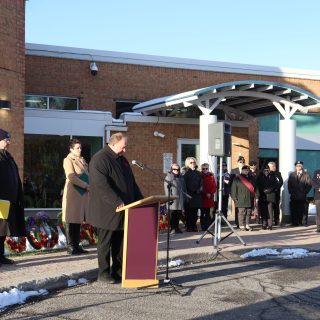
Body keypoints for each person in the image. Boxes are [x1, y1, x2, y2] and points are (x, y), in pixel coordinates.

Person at [87, 132, 143, 284]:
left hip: (124, 209)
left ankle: (118, 271)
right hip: (107, 210)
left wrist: (141, 200)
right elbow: (101, 185)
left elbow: (132, 183)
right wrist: (116, 201)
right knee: (105, 243)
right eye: (123, 147)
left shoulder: (122, 160)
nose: (125, 150)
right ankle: (103, 274)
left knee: (119, 242)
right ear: (113, 143)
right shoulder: (100, 159)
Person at [0, 129, 26, 266]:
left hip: (9, 201)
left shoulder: (7, 156)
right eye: (6, 140)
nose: (8, 142)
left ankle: (1, 256)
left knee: (4, 230)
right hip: (1, 200)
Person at [62, 139, 89, 255]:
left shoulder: (82, 160)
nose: (80, 150)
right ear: (71, 149)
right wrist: (85, 185)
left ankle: (77, 245)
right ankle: (70, 246)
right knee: (70, 219)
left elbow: (87, 174)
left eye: (80, 147)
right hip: (73, 193)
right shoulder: (68, 160)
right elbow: (71, 177)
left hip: (81, 194)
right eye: (77, 148)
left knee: (77, 220)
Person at [230, 165, 259, 231]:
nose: (246, 171)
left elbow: (255, 188)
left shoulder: (252, 178)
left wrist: (257, 196)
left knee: (248, 212)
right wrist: (234, 197)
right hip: (240, 198)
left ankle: (247, 225)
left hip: (249, 198)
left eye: (247, 170)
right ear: (242, 170)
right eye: (245, 170)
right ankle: (241, 226)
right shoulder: (237, 178)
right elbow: (233, 188)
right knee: (241, 212)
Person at [164, 163, 187, 234]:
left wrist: (185, 197)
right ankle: (173, 228)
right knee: (172, 214)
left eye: (178, 169)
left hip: (180, 199)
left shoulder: (181, 177)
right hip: (172, 199)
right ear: (171, 169)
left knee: (177, 214)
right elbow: (167, 189)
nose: (176, 171)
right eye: (175, 169)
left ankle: (176, 227)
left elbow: (184, 188)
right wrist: (169, 198)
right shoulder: (169, 177)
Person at [288, 161, 312, 226]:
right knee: (294, 209)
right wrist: (291, 191)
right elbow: (289, 184)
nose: (298, 167)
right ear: (295, 167)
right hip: (294, 195)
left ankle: (303, 222)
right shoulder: (292, 174)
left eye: (300, 165)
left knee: (303, 209)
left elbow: (309, 185)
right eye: (297, 166)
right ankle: (294, 223)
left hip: (302, 195)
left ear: (302, 166)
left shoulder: (306, 174)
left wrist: (305, 192)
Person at [257, 165, 280, 230]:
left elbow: (276, 185)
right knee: (263, 211)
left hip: (270, 195)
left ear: (269, 170)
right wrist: (262, 190)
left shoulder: (273, 176)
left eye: (267, 170)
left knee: (270, 211)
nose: (266, 171)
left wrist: (270, 189)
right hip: (262, 195)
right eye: (265, 170)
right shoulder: (260, 176)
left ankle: (270, 225)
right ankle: (264, 224)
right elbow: (258, 185)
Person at [183, 157, 202, 232]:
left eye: (194, 162)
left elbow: (201, 183)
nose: (193, 164)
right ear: (187, 164)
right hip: (189, 195)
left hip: (196, 195)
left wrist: (199, 189)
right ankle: (189, 226)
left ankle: (194, 225)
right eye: (191, 162)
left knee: (195, 212)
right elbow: (185, 184)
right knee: (188, 212)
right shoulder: (186, 173)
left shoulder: (198, 173)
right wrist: (191, 190)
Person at [230, 156, 246, 228]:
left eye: (243, 162)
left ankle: (243, 223)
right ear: (238, 162)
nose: (242, 163)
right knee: (237, 208)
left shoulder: (246, 170)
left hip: (244, 193)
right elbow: (230, 183)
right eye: (240, 162)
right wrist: (232, 193)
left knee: (244, 208)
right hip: (236, 193)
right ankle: (238, 223)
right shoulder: (234, 171)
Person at [200, 163, 216, 231]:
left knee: (209, 213)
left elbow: (214, 186)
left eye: (206, 168)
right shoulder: (200, 176)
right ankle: (203, 226)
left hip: (210, 197)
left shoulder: (211, 176)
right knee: (203, 213)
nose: (205, 170)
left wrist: (210, 193)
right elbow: (200, 186)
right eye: (203, 169)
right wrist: (205, 193)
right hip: (203, 197)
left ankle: (208, 226)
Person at [312, 168, 320, 233]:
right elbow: (313, 181)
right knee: (318, 213)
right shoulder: (317, 172)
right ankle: (319, 227)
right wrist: (318, 188)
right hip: (318, 196)